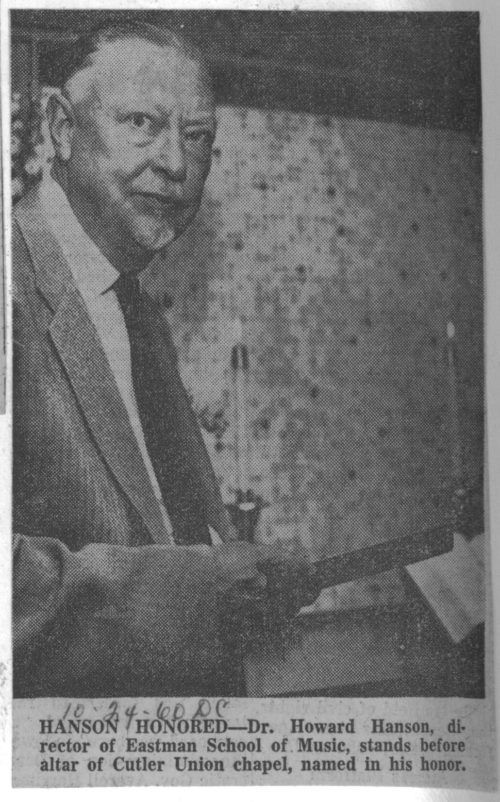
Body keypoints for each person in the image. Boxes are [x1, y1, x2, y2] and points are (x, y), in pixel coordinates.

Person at [12, 21, 318, 698]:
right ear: (61, 128)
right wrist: (199, 592)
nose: (177, 164)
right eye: (143, 123)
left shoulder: (135, 309)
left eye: (198, 135)